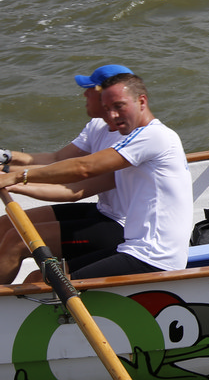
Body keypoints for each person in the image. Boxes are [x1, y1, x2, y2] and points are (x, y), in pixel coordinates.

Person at [0, 73, 194, 280]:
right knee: (36, 277)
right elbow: (75, 186)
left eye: (119, 106)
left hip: (153, 257)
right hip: (134, 247)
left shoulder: (154, 136)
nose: (112, 115)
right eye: (107, 108)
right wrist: (11, 179)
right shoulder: (129, 146)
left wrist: (17, 177)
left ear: (142, 101)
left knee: (37, 273)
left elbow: (83, 168)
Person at [0, 64, 134, 283]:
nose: (84, 94)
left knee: (16, 240)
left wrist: (14, 181)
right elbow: (57, 160)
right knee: (5, 224)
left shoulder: (127, 140)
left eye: (89, 89)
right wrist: (6, 163)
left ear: (107, 95)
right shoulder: (97, 126)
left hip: (121, 227)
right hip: (103, 211)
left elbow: (74, 189)